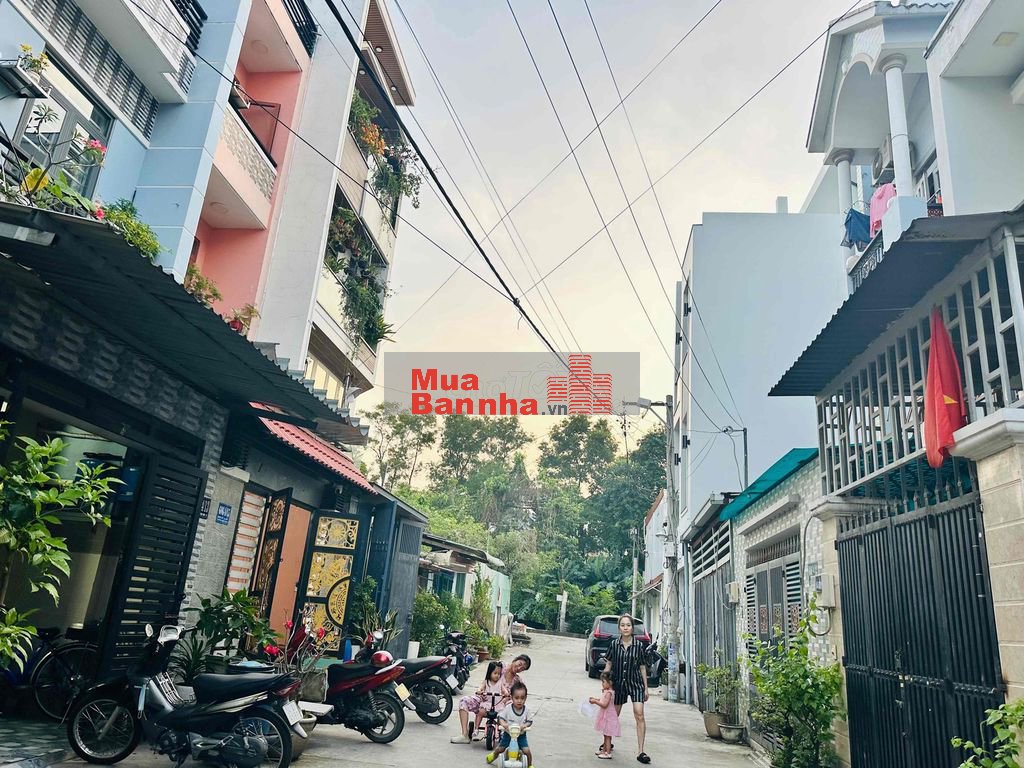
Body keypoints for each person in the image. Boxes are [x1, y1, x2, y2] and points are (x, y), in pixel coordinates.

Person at [451, 654, 532, 744]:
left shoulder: (517, 681)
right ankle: (464, 735)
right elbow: (487, 679)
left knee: (512, 708)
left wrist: (508, 699)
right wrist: (481, 691)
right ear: (515, 660)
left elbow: (519, 695)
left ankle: (505, 734)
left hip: (501, 705)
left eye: (522, 668)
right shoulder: (500, 666)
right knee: (464, 701)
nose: (519, 668)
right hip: (485, 699)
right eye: (520, 664)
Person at [603, 614, 651, 764]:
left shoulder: (639, 646)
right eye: (623, 625)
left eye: (628, 625)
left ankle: (641, 751)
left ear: (632, 628)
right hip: (618, 684)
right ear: (619, 628)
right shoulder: (614, 644)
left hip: (636, 683)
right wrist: (605, 683)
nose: (625, 628)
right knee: (613, 715)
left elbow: (642, 667)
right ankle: (607, 744)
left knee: (639, 714)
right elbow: (609, 663)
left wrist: (646, 688)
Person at [487, 681, 534, 767]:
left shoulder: (526, 710)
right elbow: (500, 717)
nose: (519, 701)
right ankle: (493, 756)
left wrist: (524, 726)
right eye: (516, 698)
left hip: (521, 735)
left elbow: (530, 721)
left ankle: (530, 765)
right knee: (500, 749)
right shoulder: (508, 708)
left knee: (526, 751)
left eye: (522, 698)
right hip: (508, 734)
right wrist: (504, 724)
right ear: (511, 697)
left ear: (525, 698)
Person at [590, 671, 621, 759]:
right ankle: (604, 750)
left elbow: (604, 704)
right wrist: (595, 699)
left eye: (603, 682)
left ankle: (607, 752)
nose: (602, 684)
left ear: (610, 682)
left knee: (607, 735)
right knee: (605, 734)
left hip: (608, 717)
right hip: (606, 716)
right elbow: (602, 700)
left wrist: (595, 702)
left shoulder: (609, 693)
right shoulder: (607, 692)